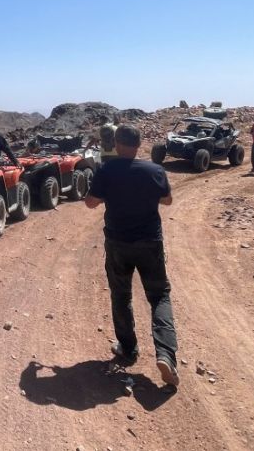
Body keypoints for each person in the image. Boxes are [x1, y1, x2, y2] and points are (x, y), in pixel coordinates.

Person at [83, 124, 179, 387]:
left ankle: (128, 348)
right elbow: (168, 200)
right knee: (159, 296)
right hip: (150, 243)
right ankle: (166, 355)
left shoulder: (106, 170)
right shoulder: (155, 170)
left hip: (118, 243)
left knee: (121, 293)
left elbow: (91, 202)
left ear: (116, 143)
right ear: (139, 144)